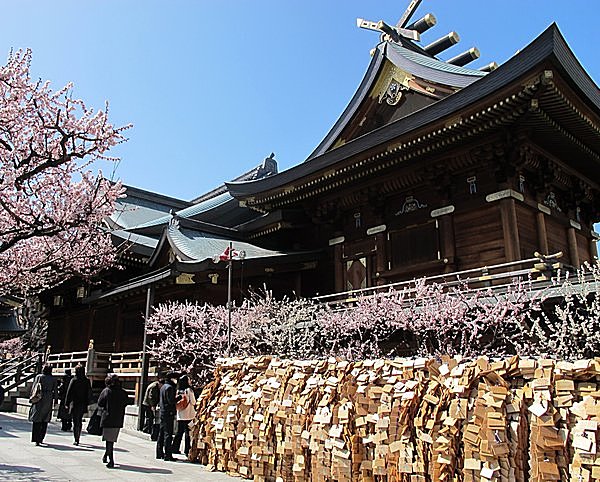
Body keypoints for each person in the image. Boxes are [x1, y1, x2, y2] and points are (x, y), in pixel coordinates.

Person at [97, 373, 132, 468]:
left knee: (109, 441)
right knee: (111, 439)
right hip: (118, 418)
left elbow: (100, 403)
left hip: (108, 418)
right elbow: (126, 402)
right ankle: (105, 456)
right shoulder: (123, 392)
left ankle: (111, 460)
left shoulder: (106, 391)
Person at [29, 364, 57, 446]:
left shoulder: (39, 377)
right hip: (48, 398)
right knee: (45, 418)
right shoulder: (53, 379)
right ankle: (41, 438)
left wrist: (31, 397)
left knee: (37, 418)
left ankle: (36, 438)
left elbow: (35, 387)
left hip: (39, 397)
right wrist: (55, 399)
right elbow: (55, 390)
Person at [65, 364, 92, 445]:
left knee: (75, 421)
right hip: (82, 403)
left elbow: (69, 392)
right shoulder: (86, 380)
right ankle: (78, 436)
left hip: (75, 403)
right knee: (79, 420)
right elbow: (89, 392)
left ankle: (76, 438)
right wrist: (89, 402)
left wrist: (67, 402)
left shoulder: (74, 380)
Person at [156, 371, 179, 461]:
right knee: (168, 434)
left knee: (161, 433)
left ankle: (159, 452)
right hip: (168, 412)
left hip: (163, 411)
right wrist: (179, 398)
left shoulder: (163, 387)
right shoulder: (169, 388)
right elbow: (171, 401)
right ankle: (168, 455)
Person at [172, 375, 196, 457]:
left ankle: (174, 448)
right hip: (188, 414)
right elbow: (193, 402)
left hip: (180, 414)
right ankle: (187, 450)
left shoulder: (178, 390)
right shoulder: (189, 390)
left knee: (178, 432)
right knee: (187, 433)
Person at [142, 376, 162, 441]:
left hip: (148, 403)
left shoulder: (155, 385)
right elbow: (151, 397)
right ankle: (147, 429)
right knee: (149, 417)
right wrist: (152, 405)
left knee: (149, 417)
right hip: (148, 404)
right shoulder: (154, 386)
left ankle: (147, 429)